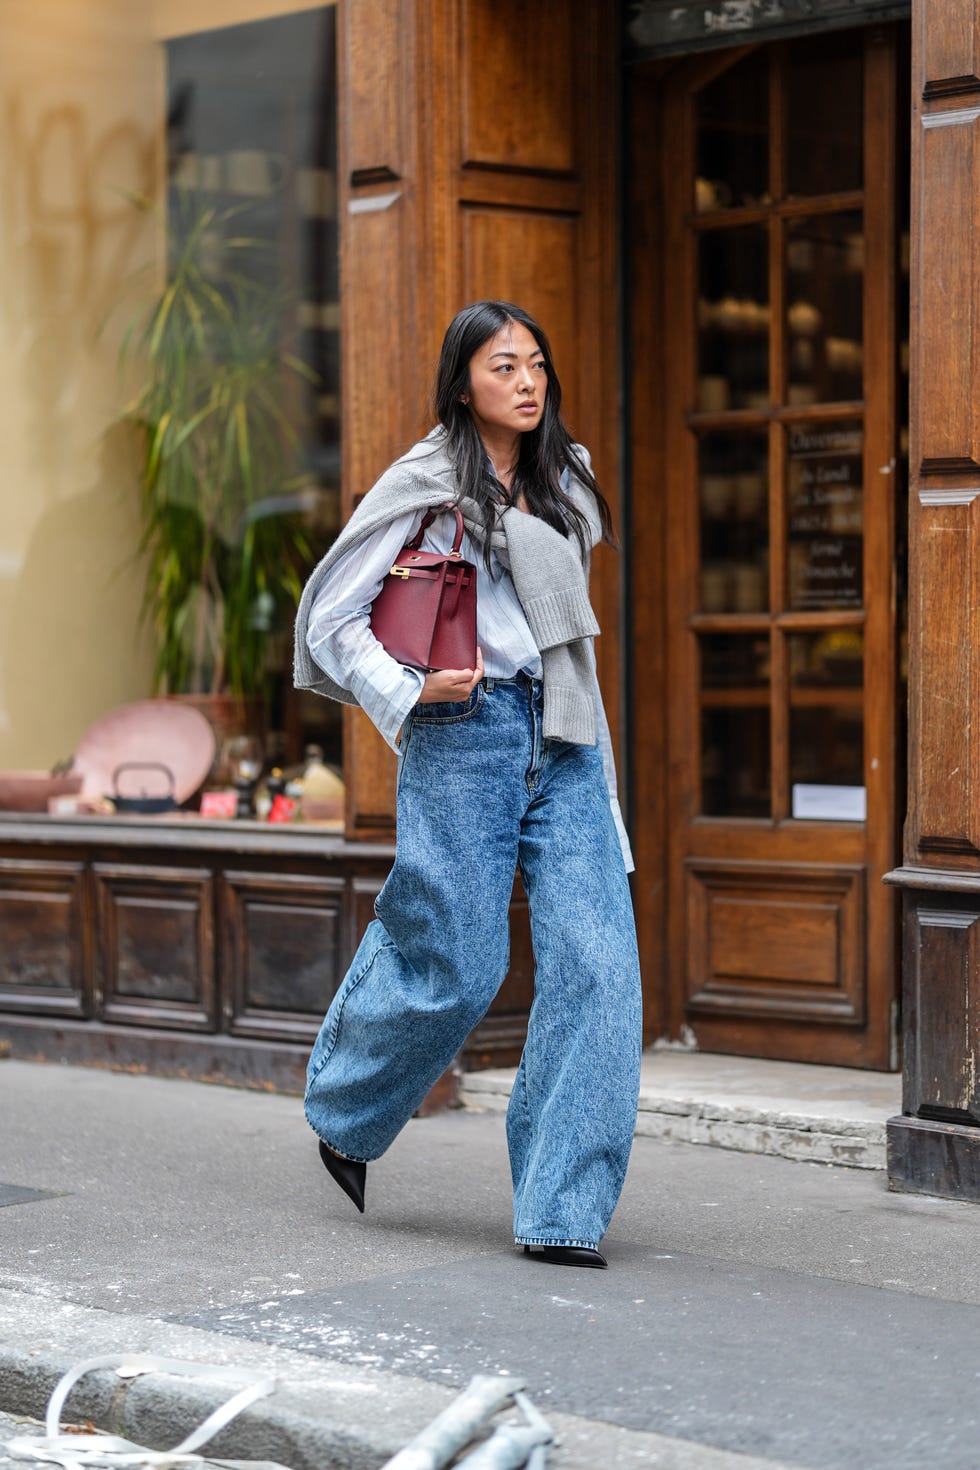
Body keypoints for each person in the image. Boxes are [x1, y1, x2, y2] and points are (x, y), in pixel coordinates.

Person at [293, 300, 641, 1269]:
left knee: (599, 967)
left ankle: (561, 1210)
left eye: (535, 364)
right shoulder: (426, 482)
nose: (526, 382)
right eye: (502, 367)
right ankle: (348, 1108)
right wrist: (405, 693)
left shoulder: (566, 482)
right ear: (461, 385)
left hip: (564, 730)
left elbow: (563, 620)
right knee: (458, 961)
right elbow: (330, 617)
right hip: (463, 731)